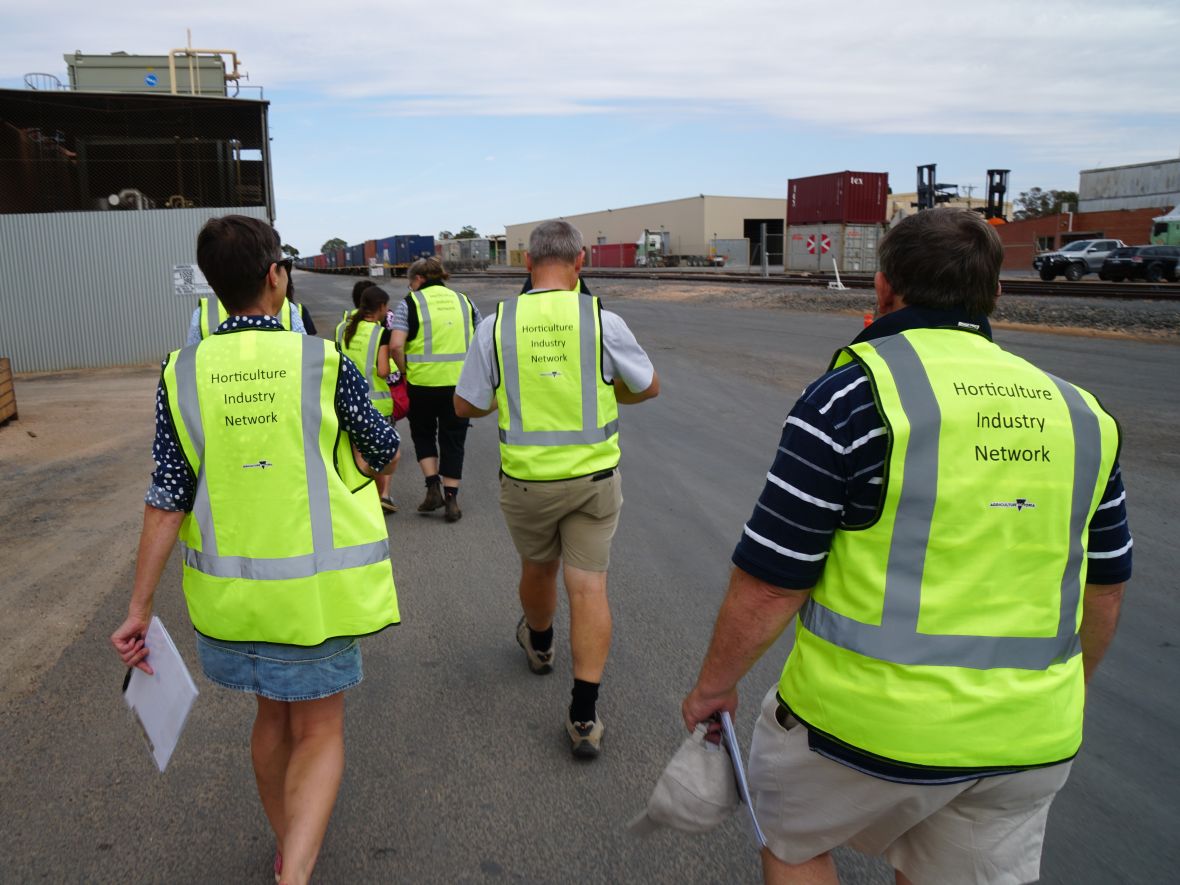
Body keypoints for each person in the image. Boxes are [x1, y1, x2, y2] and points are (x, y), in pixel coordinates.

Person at [680, 208, 1132, 885]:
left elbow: (773, 580)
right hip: (1028, 738)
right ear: (995, 294)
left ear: (883, 286)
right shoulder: (1083, 415)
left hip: (856, 730)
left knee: (792, 841)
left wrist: (713, 686)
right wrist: (1061, 696)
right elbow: (1105, 590)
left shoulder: (851, 398)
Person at [111, 214, 401, 885]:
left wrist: (138, 605)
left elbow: (167, 494)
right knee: (321, 728)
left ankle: (288, 842)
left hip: (233, 599)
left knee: (272, 716)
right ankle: (294, 871)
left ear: (215, 287)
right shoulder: (320, 361)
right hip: (317, 595)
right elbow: (383, 447)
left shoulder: (183, 371)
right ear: (277, 276)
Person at [454, 220, 659, 758]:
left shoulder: (496, 326)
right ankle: (584, 716)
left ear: (526, 262)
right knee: (589, 586)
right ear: (580, 260)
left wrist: (507, 396)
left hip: (526, 482)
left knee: (538, 569)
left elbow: (464, 405)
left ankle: (540, 644)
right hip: (593, 481)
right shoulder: (600, 320)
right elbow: (647, 385)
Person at [389, 257, 479, 522]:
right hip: (459, 386)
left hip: (422, 385)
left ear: (418, 279)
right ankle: (452, 499)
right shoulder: (465, 301)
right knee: (454, 439)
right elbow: (483, 335)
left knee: (424, 434)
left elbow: (395, 345)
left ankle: (432, 488)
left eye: (410, 282)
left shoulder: (409, 303)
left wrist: (405, 371)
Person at [341, 285, 399, 513]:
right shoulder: (380, 333)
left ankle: (359, 495)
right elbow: (384, 371)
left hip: (347, 401)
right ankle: (379, 497)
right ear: (382, 307)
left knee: (357, 452)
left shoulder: (342, 329)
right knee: (382, 451)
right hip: (377, 402)